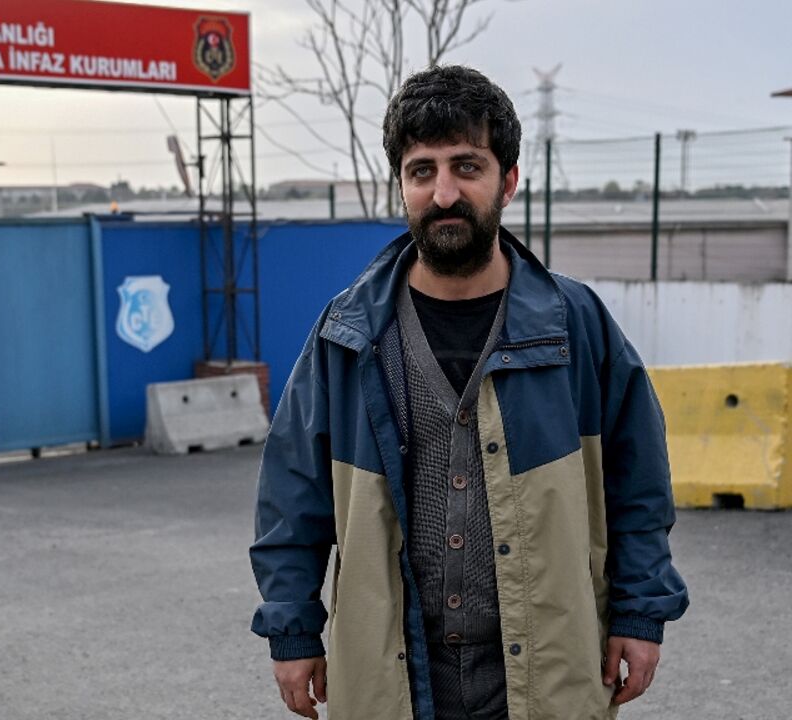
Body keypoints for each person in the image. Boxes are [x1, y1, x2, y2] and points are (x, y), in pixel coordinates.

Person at [249, 66, 687, 720]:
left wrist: (639, 612)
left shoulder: (576, 326)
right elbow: (293, 491)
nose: (444, 192)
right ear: (401, 184)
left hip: (544, 668)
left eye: (467, 166)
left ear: (508, 181)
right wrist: (292, 629)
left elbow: (638, 483)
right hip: (393, 672)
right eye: (421, 170)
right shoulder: (348, 334)